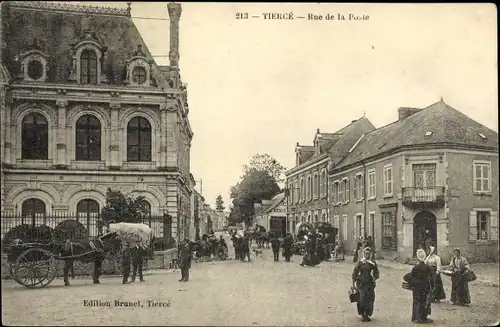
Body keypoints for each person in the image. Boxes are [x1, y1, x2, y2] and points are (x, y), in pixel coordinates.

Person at [352, 247, 379, 322]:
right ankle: (363, 314)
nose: (367, 255)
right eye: (366, 253)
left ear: (371, 254)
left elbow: (377, 273)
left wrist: (374, 278)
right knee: (362, 299)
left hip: (370, 283)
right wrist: (353, 283)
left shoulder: (373, 263)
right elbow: (355, 273)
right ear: (363, 254)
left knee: (370, 300)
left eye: (369, 254)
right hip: (361, 283)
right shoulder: (360, 262)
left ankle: (367, 314)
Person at [405, 248, 433, 323]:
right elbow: (432, 276)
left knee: (417, 301)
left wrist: (408, 279)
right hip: (425, 286)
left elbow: (411, 277)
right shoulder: (427, 267)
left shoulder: (415, 267)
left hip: (417, 287)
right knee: (424, 301)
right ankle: (423, 317)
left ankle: (416, 317)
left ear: (417, 257)